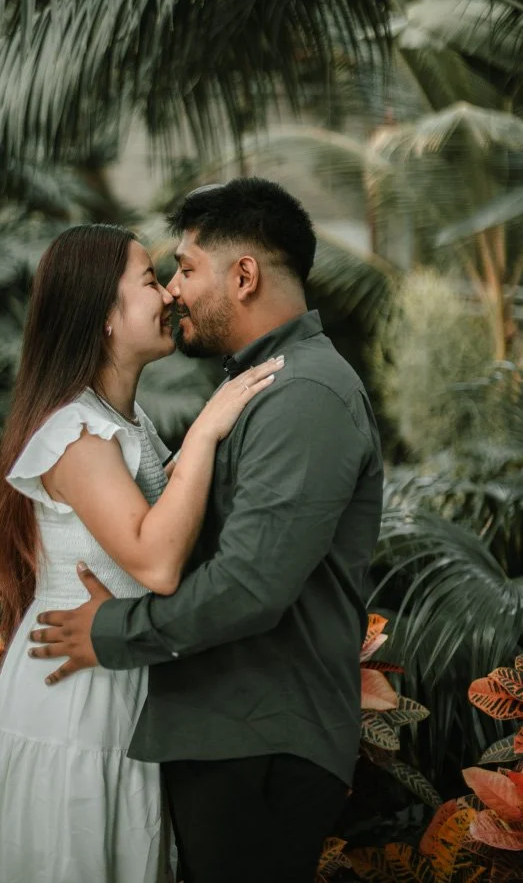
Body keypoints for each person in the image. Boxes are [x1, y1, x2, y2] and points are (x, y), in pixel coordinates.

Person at [29, 178, 384, 883]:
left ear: (244, 276)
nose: (173, 290)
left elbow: (249, 585)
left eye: (186, 268)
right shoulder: (263, 387)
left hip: (255, 737)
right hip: (233, 731)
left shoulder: (302, 395)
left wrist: (112, 632)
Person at [0, 223, 280, 883]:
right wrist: (205, 432)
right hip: (77, 695)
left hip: (116, 671)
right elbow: (156, 562)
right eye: (148, 281)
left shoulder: (124, 426)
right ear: (103, 317)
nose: (168, 294)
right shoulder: (75, 434)